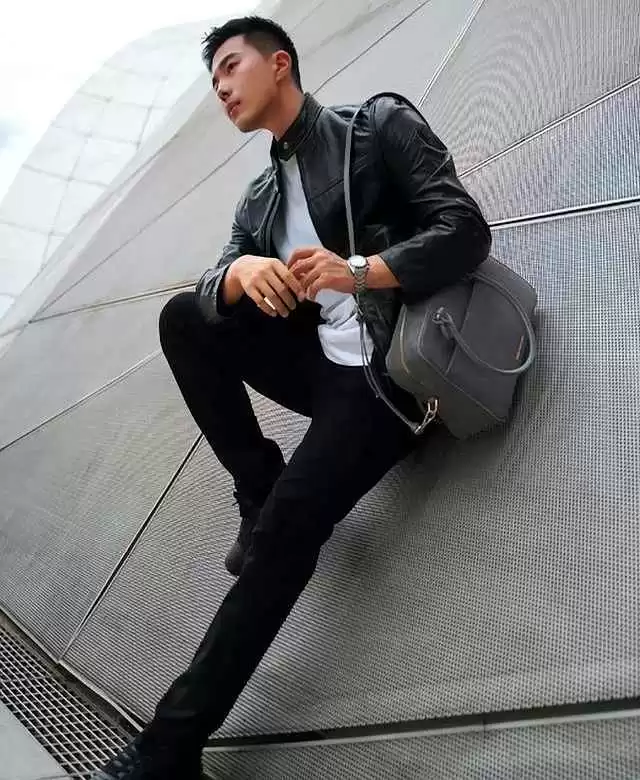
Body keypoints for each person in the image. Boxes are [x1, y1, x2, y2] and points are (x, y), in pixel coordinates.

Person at [94, 15, 491, 780]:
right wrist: (239, 275)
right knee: (184, 318)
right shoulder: (261, 199)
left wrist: (361, 270)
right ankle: (258, 484)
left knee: (285, 534)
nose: (221, 88)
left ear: (279, 64)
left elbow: (465, 231)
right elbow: (210, 290)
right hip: (320, 370)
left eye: (230, 67)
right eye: (213, 80)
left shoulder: (375, 128)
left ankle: (167, 750)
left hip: (387, 379)